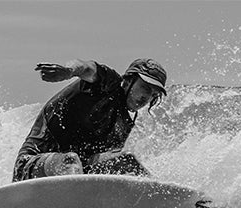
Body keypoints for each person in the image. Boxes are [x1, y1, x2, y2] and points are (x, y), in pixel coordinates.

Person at [12, 58, 167, 182]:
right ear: (128, 81)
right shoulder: (107, 85)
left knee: (126, 160)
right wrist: (68, 71)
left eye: (153, 95)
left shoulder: (124, 124)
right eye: (145, 88)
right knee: (70, 161)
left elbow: (102, 164)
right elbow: (86, 68)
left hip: (75, 176)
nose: (147, 98)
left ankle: (161, 201)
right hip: (30, 168)